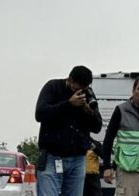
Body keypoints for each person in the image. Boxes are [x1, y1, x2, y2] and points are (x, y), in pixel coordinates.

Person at [35, 66, 103, 196]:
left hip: (77, 158)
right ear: (69, 79)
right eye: (76, 89)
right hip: (52, 157)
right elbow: (39, 114)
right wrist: (69, 104)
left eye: (83, 89)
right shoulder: (53, 87)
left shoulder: (88, 94)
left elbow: (97, 127)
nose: (79, 92)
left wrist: (89, 112)